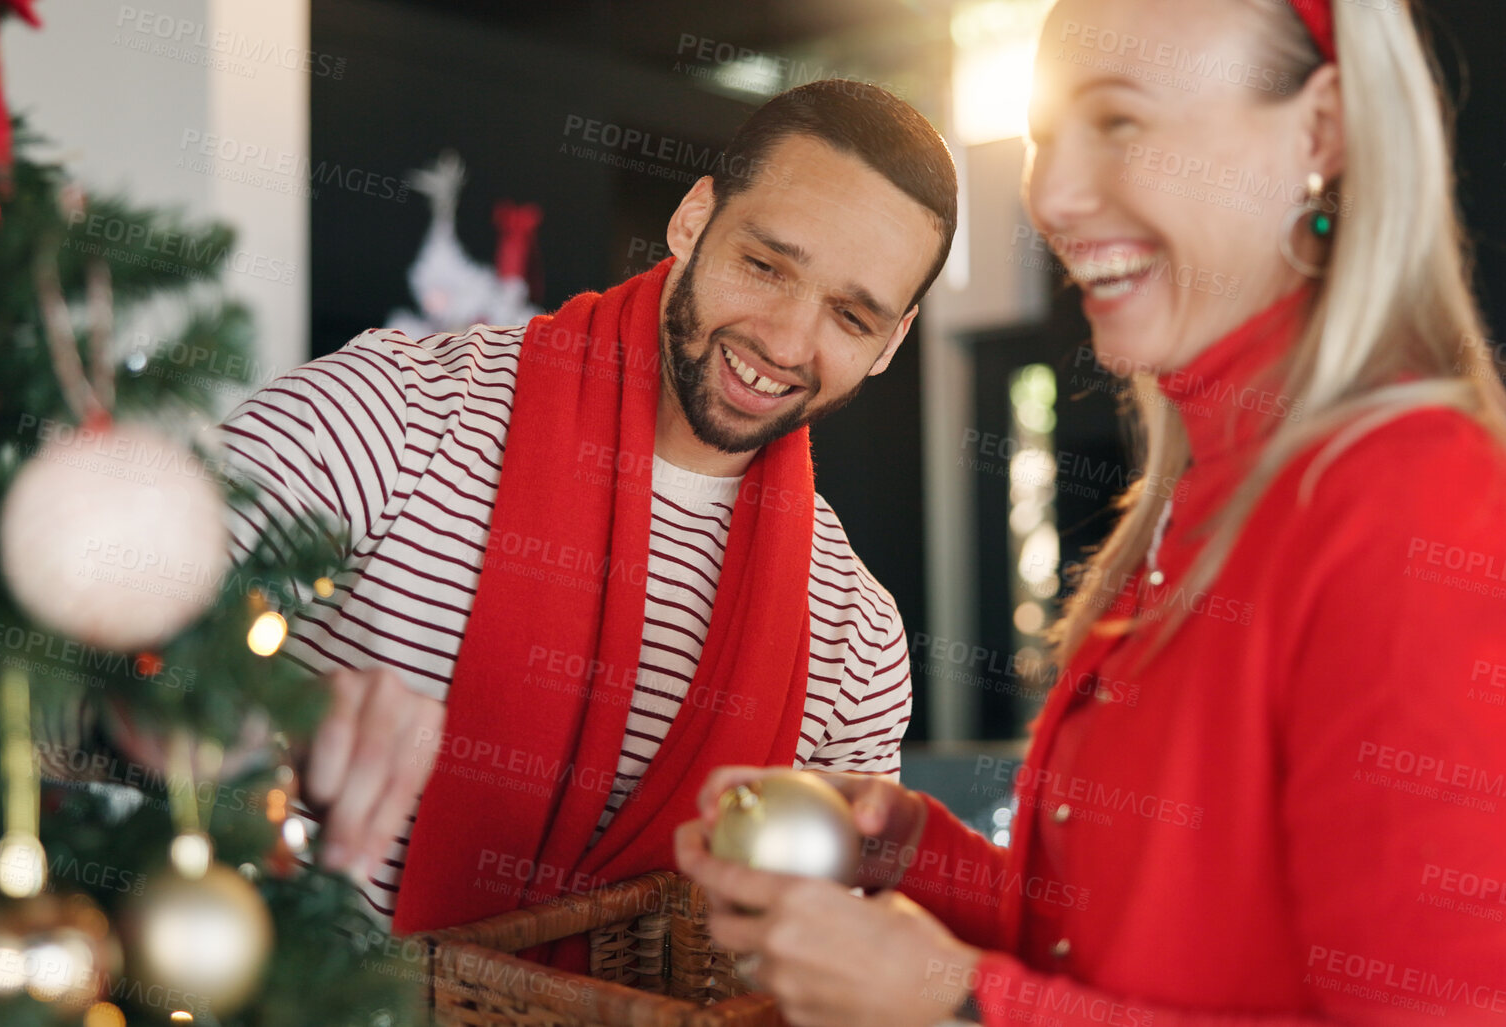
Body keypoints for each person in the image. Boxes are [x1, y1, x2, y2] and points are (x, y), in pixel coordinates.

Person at [678, 1, 1506, 1024]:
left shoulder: (1409, 511)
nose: (1051, 194)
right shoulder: (1203, 495)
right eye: (1046, 136)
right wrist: (910, 855)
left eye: (1120, 121)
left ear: (1321, 131)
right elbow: (1136, 947)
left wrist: (957, 1003)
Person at [214, 79, 956, 937]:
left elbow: (824, 954)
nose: (786, 341)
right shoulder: (391, 414)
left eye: (851, 316)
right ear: (692, 221)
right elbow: (98, 637)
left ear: (892, 341)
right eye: (764, 266)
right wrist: (276, 713)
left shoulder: (857, 639)